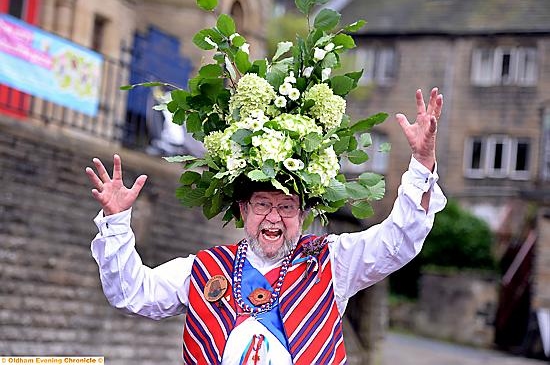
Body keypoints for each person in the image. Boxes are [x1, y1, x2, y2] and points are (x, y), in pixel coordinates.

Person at [86, 88, 446, 364]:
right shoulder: (203, 270)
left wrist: (421, 164)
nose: (274, 217)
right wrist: (117, 222)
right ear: (243, 211)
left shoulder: (333, 262)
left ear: (303, 214)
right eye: (262, 205)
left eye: (287, 207)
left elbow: (398, 240)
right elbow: (132, 293)